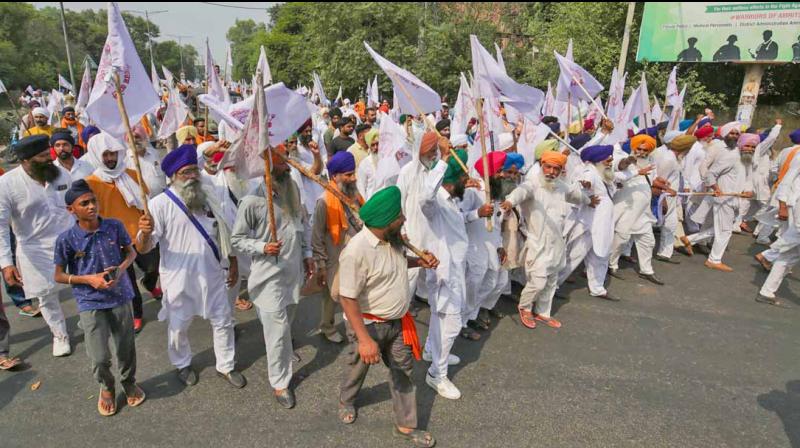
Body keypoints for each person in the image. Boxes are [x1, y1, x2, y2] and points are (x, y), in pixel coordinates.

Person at [135, 144, 246, 389]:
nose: (192, 176)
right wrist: (143, 233)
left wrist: (234, 262)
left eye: (194, 170)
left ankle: (226, 365)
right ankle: (182, 364)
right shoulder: (159, 204)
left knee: (223, 320)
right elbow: (144, 248)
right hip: (179, 277)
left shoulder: (208, 195)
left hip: (214, 272)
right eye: (186, 172)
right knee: (179, 325)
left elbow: (223, 231)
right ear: (173, 176)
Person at [337, 185, 438, 448]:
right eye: (399, 216)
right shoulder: (356, 251)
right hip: (368, 326)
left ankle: (406, 426)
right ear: (385, 221)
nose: (403, 219)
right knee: (358, 368)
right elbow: (347, 298)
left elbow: (394, 266)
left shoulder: (394, 240)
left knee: (403, 372)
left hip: (398, 323)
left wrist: (420, 262)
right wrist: (364, 340)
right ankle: (347, 399)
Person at [54, 180, 146, 416]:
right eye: (84, 203)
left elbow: (131, 252)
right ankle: (106, 387)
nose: (92, 206)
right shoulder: (66, 239)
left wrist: (122, 269)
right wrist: (89, 280)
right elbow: (59, 275)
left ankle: (128, 382)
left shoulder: (114, 226)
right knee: (99, 356)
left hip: (121, 296)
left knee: (126, 349)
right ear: (71, 210)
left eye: (93, 201)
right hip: (90, 302)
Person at [231, 146, 313, 409]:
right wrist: (262, 247)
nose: (287, 171)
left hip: (292, 273)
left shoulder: (293, 191)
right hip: (268, 279)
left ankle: (283, 358)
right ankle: (280, 383)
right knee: (277, 331)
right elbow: (238, 240)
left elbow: (302, 225)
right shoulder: (252, 202)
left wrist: (308, 253)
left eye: (287, 167)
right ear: (267, 172)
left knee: (286, 324)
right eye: (281, 168)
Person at [502, 151, 593, 329]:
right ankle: (525, 307)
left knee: (551, 280)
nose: (551, 172)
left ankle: (543, 312)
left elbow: (576, 195)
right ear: (542, 166)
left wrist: (589, 200)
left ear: (560, 171)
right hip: (537, 242)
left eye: (556, 169)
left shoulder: (561, 185)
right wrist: (510, 202)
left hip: (557, 241)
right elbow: (521, 192)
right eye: (548, 167)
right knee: (538, 281)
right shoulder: (532, 184)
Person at [0, 135, 72, 357]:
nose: (49, 160)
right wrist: (6, 263)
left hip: (70, 241)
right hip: (35, 249)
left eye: (48, 154)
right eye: (42, 157)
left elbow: (74, 202)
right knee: (46, 295)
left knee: (85, 284)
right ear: (25, 160)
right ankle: (60, 335)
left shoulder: (60, 174)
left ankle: (92, 323)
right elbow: (1, 227)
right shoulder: (6, 185)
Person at [84, 132, 151, 333]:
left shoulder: (132, 173)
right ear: (96, 155)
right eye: (106, 155)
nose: (111, 159)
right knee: (128, 280)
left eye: (114, 154)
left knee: (153, 268)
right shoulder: (91, 183)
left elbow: (145, 201)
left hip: (141, 233)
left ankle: (150, 282)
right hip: (115, 241)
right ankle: (137, 314)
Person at [418, 146, 470, 399]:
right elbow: (424, 197)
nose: (467, 182)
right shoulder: (436, 200)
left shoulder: (450, 201)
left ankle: (431, 350)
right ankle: (436, 374)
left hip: (454, 271)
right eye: (463, 178)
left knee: (441, 319)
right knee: (451, 324)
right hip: (445, 274)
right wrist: (443, 163)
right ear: (453, 180)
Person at [312, 152, 362, 344]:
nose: (353, 178)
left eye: (353, 173)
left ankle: (354, 329)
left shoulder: (355, 195)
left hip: (356, 254)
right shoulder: (323, 202)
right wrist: (321, 265)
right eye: (348, 175)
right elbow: (316, 237)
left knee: (354, 293)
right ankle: (328, 326)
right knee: (333, 295)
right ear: (335, 176)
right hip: (335, 257)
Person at [685, 122, 747, 272]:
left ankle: (691, 240)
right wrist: (713, 186)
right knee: (722, 228)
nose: (734, 136)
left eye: (737, 134)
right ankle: (713, 258)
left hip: (730, 196)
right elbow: (707, 169)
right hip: (716, 193)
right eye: (731, 133)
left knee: (719, 226)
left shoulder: (743, 156)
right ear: (725, 134)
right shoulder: (721, 149)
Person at [559, 145, 619, 301]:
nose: (610, 161)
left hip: (603, 225)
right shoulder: (589, 172)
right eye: (608, 158)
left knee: (600, 256)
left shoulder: (602, 172)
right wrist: (584, 185)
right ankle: (552, 287)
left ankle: (597, 288)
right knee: (573, 257)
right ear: (598, 159)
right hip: (589, 225)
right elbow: (582, 184)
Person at [460, 151, 508, 334]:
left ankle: (470, 315)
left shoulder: (495, 191)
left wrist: (500, 245)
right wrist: (477, 213)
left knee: (492, 283)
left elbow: (496, 223)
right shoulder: (471, 190)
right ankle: (461, 323)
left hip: (491, 247)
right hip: (473, 247)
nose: (502, 175)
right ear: (489, 172)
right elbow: (456, 217)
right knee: (472, 285)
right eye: (500, 171)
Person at [608, 135, 665, 285]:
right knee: (621, 238)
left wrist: (665, 187)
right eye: (639, 149)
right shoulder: (625, 159)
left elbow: (652, 180)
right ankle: (611, 264)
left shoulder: (650, 162)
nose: (641, 152)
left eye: (645, 150)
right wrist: (630, 160)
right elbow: (620, 167)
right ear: (634, 147)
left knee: (648, 241)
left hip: (643, 211)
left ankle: (646, 271)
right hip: (627, 207)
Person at [125, 124, 167, 198]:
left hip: (161, 198)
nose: (134, 140)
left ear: (144, 138)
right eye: (131, 138)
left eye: (137, 137)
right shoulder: (125, 160)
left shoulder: (155, 153)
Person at [356, 129, 380, 200]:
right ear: (369, 145)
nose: (376, 147)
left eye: (377, 144)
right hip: (372, 203)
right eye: (373, 145)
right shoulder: (364, 164)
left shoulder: (386, 161)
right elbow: (361, 188)